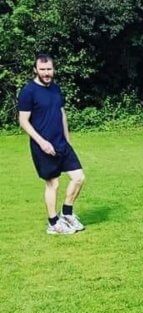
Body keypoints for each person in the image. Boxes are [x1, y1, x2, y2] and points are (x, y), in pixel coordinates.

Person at [17, 54, 86, 235]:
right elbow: (23, 121)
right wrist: (42, 142)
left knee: (79, 178)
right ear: (35, 70)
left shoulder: (55, 89)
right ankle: (53, 223)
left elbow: (61, 114)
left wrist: (67, 139)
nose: (46, 73)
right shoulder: (28, 91)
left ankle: (67, 213)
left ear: (53, 69)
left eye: (49, 69)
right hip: (43, 146)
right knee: (53, 184)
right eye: (42, 69)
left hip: (61, 143)